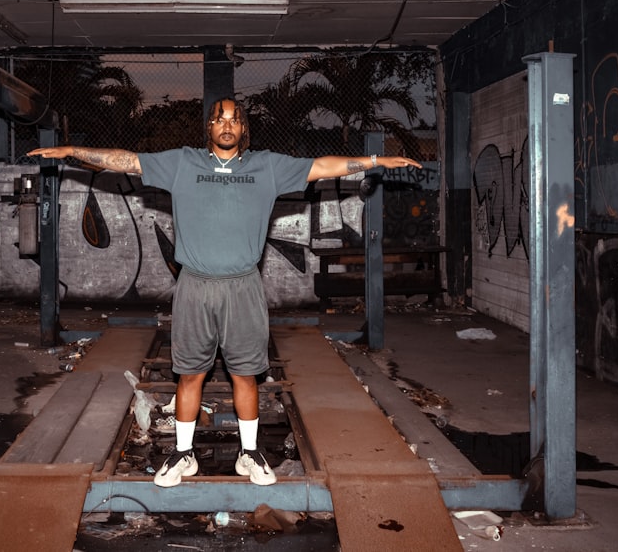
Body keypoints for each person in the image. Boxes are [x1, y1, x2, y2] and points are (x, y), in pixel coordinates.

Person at [29, 98, 422, 488]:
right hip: (194, 286)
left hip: (243, 287)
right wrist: (71, 151)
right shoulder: (183, 163)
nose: (226, 124)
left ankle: (248, 453)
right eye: (219, 118)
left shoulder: (267, 167)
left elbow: (322, 167)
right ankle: (184, 455)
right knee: (189, 375)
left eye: (234, 119)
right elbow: (127, 161)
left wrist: (377, 161)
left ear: (244, 129)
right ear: (209, 128)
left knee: (246, 374)